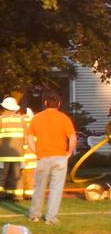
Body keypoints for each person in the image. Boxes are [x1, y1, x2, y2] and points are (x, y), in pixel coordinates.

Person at [27, 90, 76, 224]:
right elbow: (72, 136)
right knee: (56, 188)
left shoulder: (36, 118)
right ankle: (50, 218)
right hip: (60, 157)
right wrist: (69, 152)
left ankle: (35, 215)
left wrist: (35, 151)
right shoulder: (64, 118)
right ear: (59, 104)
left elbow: (29, 136)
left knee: (39, 187)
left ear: (45, 103)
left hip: (42, 156)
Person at [0, 97, 30, 200]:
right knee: (18, 176)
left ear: (4, 107)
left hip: (3, 155)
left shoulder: (1, 120)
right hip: (19, 155)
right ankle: (18, 196)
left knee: (2, 175)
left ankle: (1, 194)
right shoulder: (21, 120)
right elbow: (26, 137)